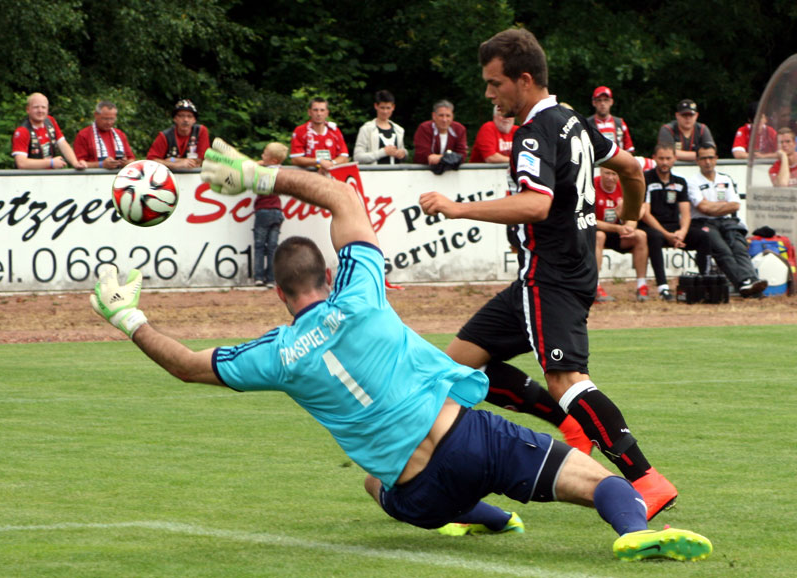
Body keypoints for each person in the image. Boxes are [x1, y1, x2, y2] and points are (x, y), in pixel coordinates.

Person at [88, 137, 713, 563]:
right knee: (596, 484)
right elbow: (342, 199)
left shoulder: (277, 355)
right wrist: (257, 176)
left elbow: (187, 366)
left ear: (279, 294)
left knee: (369, 483)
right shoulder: (360, 292)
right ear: (328, 277)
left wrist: (128, 317)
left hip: (414, 496)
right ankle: (634, 533)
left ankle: (490, 518)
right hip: (471, 442)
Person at [418, 28, 678, 521]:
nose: (489, 94)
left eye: (495, 84)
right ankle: (564, 426)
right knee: (449, 370)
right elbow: (632, 171)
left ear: (523, 79)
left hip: (550, 276)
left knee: (566, 378)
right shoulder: (574, 122)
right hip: (549, 276)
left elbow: (536, 206)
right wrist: (627, 215)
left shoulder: (534, 132)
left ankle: (645, 478)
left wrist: (458, 208)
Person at [689, 144, 768, 297]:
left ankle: (752, 281)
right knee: (722, 250)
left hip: (726, 222)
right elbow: (703, 208)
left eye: (711, 157)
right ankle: (744, 283)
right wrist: (723, 205)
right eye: (704, 158)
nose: (708, 162)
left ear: (716, 159)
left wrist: (714, 207)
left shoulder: (725, 179)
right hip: (703, 222)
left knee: (739, 247)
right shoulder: (692, 182)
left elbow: (735, 205)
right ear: (697, 161)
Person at [638, 144, 711, 301]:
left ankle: (705, 280)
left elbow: (685, 212)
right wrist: (667, 235)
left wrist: (682, 232)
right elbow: (645, 214)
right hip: (652, 226)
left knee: (703, 236)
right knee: (655, 237)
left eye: (668, 158)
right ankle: (663, 288)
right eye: (661, 158)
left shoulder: (680, 181)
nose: (664, 162)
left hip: (675, 227)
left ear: (675, 159)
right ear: (654, 158)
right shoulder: (646, 179)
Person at [594, 167, 649, 302]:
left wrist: (629, 226)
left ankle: (642, 285)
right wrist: (617, 228)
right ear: (600, 172)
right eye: (607, 173)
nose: (610, 177)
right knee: (599, 236)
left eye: (614, 174)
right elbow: (588, 219)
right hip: (596, 230)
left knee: (640, 236)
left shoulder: (624, 187)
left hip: (617, 231)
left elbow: (637, 211)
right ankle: (595, 286)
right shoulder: (592, 185)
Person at [11, 92, 87, 170]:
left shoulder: (50, 121)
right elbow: (21, 163)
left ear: (47, 109)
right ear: (28, 109)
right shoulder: (22, 131)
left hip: (48, 176)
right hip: (29, 178)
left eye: (43, 107)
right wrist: (51, 162)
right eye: (36, 107)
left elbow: (63, 144)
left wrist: (75, 163)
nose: (40, 110)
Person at [252, 142, 288, 288]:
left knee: (260, 246)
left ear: (272, 160)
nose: (262, 156)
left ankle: (259, 277)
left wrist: (260, 163)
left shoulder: (262, 171)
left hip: (263, 211)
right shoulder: (281, 171)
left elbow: (251, 169)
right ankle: (272, 279)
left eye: (265, 154)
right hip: (277, 212)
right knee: (273, 247)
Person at [290, 97, 349, 175]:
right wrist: (319, 162)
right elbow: (295, 159)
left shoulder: (334, 131)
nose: (319, 114)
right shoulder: (300, 131)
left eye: (322, 110)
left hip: (331, 176)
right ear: (309, 112)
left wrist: (330, 164)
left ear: (327, 113)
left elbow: (344, 157)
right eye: (315, 110)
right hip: (308, 177)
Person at [146, 99, 210, 170]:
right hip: (170, 176)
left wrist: (172, 159)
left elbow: (201, 160)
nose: (185, 120)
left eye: (189, 116)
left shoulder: (201, 131)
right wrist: (176, 164)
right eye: (181, 116)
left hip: (195, 175)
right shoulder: (165, 136)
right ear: (175, 119)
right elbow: (151, 161)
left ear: (194, 120)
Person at [74, 100, 136, 169]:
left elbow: (132, 159)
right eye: (105, 119)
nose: (109, 122)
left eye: (112, 119)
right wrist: (101, 165)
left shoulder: (120, 134)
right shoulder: (84, 135)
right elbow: (79, 164)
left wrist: (126, 163)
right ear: (96, 115)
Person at [353, 90, 407, 165]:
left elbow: (403, 152)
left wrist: (403, 153)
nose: (385, 111)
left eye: (388, 108)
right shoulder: (366, 129)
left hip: (395, 174)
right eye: (382, 108)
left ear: (393, 107)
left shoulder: (399, 130)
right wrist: (383, 152)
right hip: (374, 174)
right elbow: (358, 157)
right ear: (376, 106)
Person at [412, 100, 468, 166]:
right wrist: (450, 158)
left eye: (448, 116)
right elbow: (422, 155)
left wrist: (441, 158)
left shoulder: (459, 129)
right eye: (441, 115)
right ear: (434, 116)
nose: (444, 120)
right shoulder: (424, 128)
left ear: (452, 116)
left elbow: (462, 155)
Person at [587, 86, 635, 153]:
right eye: (599, 100)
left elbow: (629, 149)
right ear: (594, 103)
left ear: (611, 102)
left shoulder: (620, 123)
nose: (602, 103)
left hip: (618, 162)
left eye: (606, 100)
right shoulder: (587, 124)